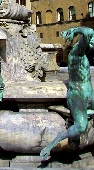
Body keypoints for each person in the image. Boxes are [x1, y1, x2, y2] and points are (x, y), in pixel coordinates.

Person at [40, 27, 94, 160]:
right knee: (81, 127)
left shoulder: (84, 55)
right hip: (77, 95)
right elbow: (89, 32)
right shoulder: (75, 54)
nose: (92, 43)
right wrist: (76, 30)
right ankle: (50, 146)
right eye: (91, 41)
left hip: (89, 95)